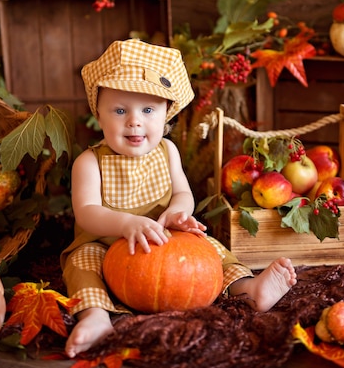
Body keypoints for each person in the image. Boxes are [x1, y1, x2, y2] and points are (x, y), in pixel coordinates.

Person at [60, 39, 297, 358]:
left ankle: (247, 288)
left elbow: (183, 192)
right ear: (99, 116)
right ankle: (95, 317)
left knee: (210, 249)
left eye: (147, 110)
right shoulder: (89, 162)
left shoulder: (167, 151)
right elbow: (87, 212)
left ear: (165, 116)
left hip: (163, 236)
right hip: (105, 244)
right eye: (119, 110)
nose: (134, 121)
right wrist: (126, 222)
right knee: (80, 263)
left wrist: (177, 213)